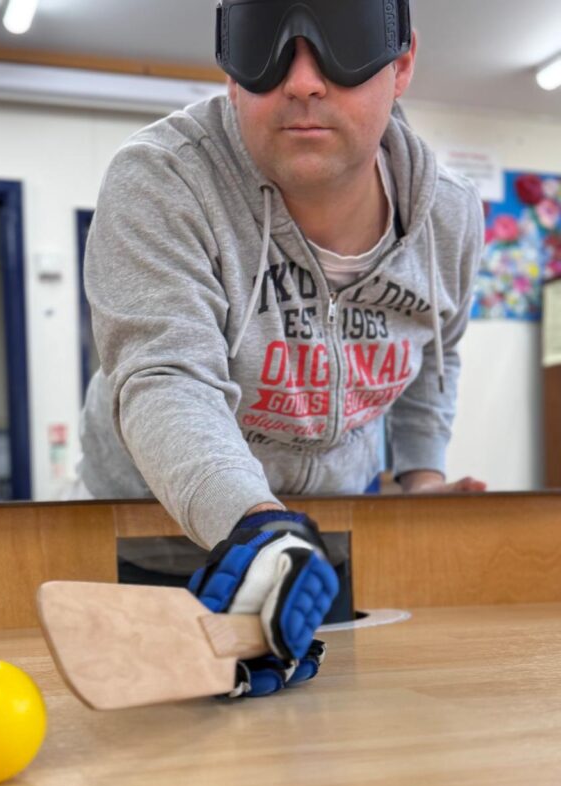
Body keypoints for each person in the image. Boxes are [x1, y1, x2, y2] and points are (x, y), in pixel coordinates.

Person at [73, 0, 486, 697]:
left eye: (343, 43)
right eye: (267, 45)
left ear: (403, 61)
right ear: (231, 71)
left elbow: (437, 349)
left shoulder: (449, 214)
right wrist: (257, 526)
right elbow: (167, 376)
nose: (302, 81)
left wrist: (422, 478)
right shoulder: (162, 179)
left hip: (328, 536)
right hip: (155, 524)